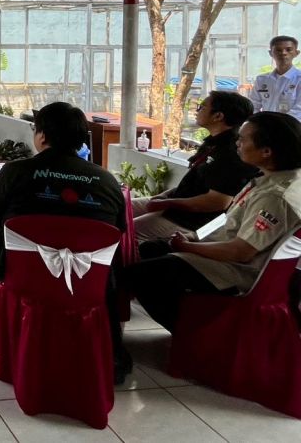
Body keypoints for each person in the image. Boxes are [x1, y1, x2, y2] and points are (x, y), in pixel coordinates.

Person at [0, 102, 127, 372]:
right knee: (108, 260)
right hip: (86, 275)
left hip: (23, 273)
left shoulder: (16, 171)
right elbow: (116, 234)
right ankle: (113, 350)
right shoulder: (107, 181)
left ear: (43, 136)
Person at [126, 112, 301, 331]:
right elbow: (228, 219)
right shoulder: (269, 177)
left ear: (266, 151)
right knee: (152, 249)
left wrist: (188, 247)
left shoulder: (274, 195)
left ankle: (195, 334)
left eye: (243, 139)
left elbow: (241, 252)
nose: (237, 143)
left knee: (139, 275)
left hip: (240, 270)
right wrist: (194, 237)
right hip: (226, 250)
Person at [134, 91, 258, 243]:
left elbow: (218, 202)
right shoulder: (212, 142)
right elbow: (192, 184)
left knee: (130, 230)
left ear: (218, 116)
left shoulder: (231, 152)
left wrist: (167, 203)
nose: (196, 110)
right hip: (177, 205)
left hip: (194, 221)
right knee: (120, 206)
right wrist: (164, 197)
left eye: (202, 107)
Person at [249, 35, 301, 120]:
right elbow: (253, 105)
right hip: (264, 125)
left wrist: (276, 124)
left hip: (291, 125)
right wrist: (258, 123)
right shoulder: (261, 80)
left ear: (296, 53)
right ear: (271, 53)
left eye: (288, 49)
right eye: (278, 50)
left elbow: (298, 110)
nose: (283, 53)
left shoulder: (299, 79)